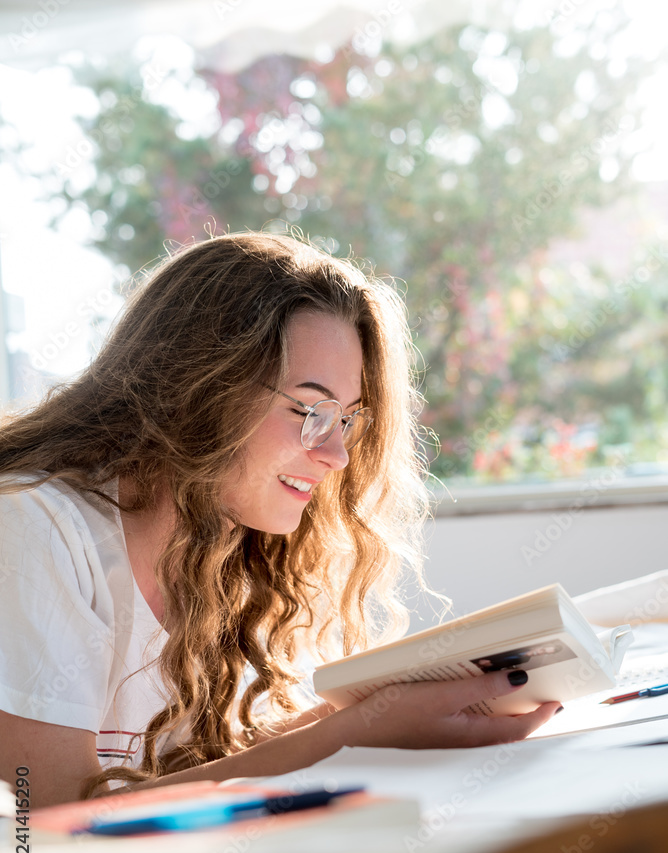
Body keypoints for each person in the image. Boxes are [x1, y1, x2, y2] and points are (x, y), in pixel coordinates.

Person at [0, 232, 560, 807]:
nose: (336, 455)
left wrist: (371, 715)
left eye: (346, 419)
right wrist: (347, 735)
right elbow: (55, 825)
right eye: (312, 410)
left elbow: (201, 770)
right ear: (199, 387)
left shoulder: (223, 545)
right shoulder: (31, 526)